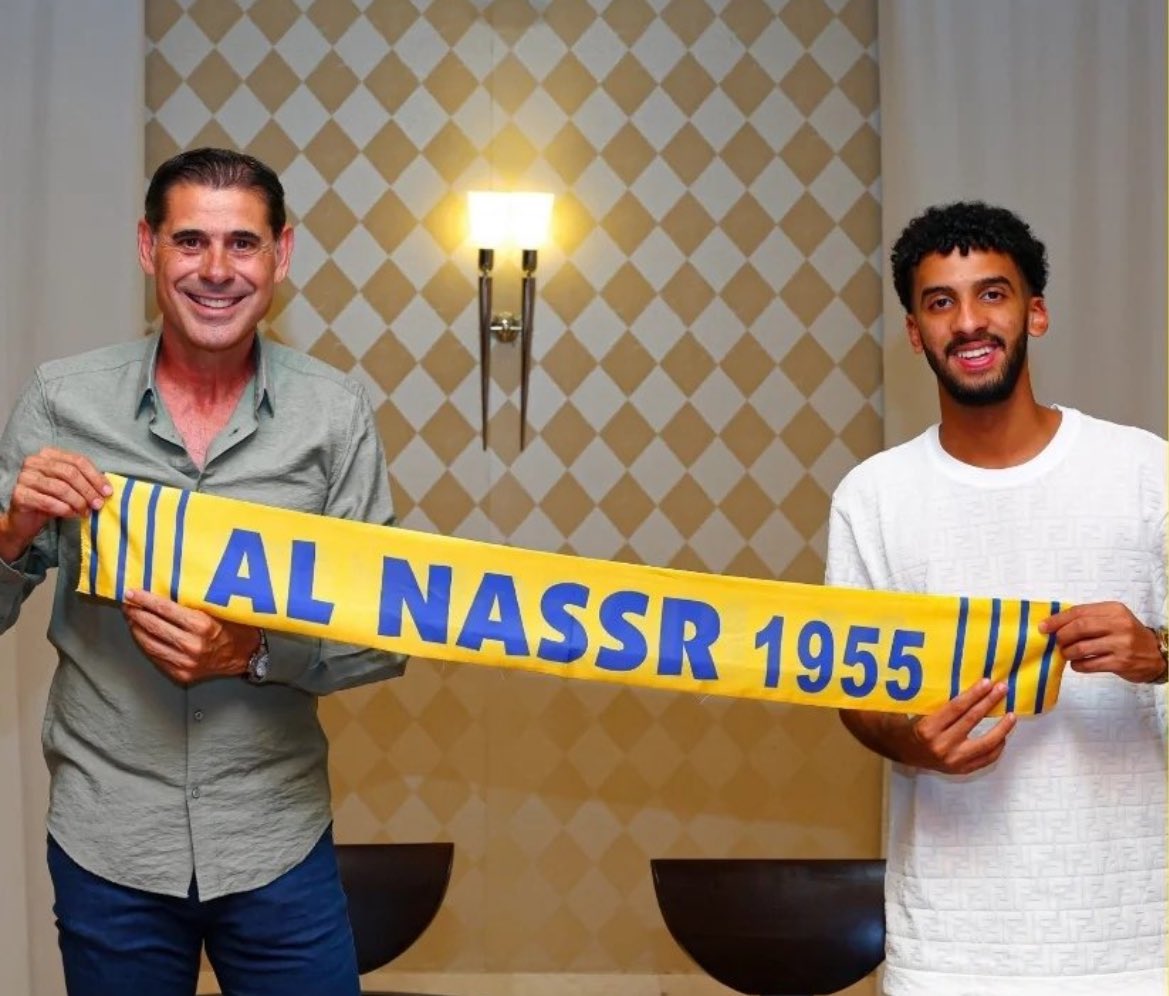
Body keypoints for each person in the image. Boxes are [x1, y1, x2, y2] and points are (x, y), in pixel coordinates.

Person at [0, 148, 407, 996]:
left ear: (280, 254)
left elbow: (382, 637)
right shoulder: (61, 401)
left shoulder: (333, 415)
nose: (216, 270)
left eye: (242, 243)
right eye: (190, 241)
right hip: (108, 841)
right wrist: (11, 533)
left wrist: (251, 653)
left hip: (276, 838)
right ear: (148, 248)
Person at [826, 201, 1166, 995]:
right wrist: (911, 742)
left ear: (1033, 313)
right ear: (915, 333)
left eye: (991, 294)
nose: (968, 322)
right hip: (948, 950)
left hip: (1131, 942)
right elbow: (852, 692)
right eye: (939, 302)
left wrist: (1157, 653)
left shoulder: (1144, 471)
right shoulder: (872, 498)